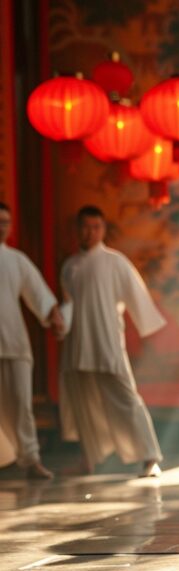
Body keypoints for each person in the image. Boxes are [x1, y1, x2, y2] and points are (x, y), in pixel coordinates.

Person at [59, 205, 165, 477]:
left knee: (126, 398)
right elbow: (68, 305)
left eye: (96, 227)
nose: (90, 233)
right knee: (84, 403)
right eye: (85, 227)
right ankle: (88, 459)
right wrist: (61, 324)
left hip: (106, 340)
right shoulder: (70, 267)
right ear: (77, 229)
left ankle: (150, 457)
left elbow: (136, 294)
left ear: (103, 230)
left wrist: (149, 329)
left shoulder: (115, 261)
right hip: (77, 342)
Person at [0, 201, 63, 479]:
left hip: (13, 342)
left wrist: (54, 315)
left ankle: (30, 459)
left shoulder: (16, 260)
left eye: (5, 221)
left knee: (21, 404)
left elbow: (37, 291)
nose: (1, 226)